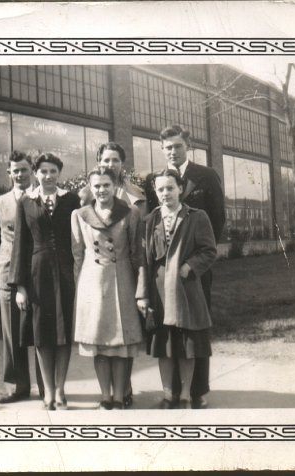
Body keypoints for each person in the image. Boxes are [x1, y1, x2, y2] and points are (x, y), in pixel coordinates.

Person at [145, 125, 226, 409]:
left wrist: (193, 263)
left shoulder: (205, 176)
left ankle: (197, 392)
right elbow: (150, 227)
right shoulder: (153, 181)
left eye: (177, 146)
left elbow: (217, 221)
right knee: (167, 332)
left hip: (194, 271)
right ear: (161, 149)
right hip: (162, 275)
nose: (173, 151)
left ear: (187, 146)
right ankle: (172, 392)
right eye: (167, 147)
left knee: (195, 329)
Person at [137, 169, 217, 409]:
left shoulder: (197, 216)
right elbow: (143, 259)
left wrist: (189, 267)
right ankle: (168, 394)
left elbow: (209, 251)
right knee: (163, 347)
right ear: (155, 192)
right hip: (159, 293)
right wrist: (142, 294)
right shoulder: (150, 219)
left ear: (180, 189)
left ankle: (184, 395)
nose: (165, 193)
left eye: (170, 188)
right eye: (160, 189)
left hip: (186, 291)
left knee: (186, 347)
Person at [9, 153, 81, 411]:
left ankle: (60, 390)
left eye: (53, 171)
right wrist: (19, 286)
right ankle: (48, 392)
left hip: (65, 274)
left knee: (63, 334)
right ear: (35, 174)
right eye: (43, 171)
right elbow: (19, 245)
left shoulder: (71, 200)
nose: (48, 176)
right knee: (41, 334)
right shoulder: (26, 202)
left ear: (59, 174)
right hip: (37, 274)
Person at [71, 167, 145, 410]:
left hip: (122, 278)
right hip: (92, 281)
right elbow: (77, 254)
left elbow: (136, 252)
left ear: (115, 187)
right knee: (99, 343)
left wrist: (140, 288)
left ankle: (119, 395)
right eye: (97, 186)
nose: (101, 190)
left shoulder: (130, 212)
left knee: (121, 344)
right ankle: (105, 395)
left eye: (106, 185)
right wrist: (78, 289)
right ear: (90, 188)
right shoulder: (80, 215)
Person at [0, 151, 44, 404]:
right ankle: (16, 387)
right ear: (9, 173)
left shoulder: (43, 198)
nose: (20, 174)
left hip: (40, 273)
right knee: (12, 333)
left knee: (42, 329)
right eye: (15, 170)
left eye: (24, 169)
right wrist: (8, 263)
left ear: (32, 170)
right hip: (9, 274)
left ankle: (47, 387)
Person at [78, 142, 147, 215]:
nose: (111, 165)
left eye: (115, 160)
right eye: (106, 160)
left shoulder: (137, 194)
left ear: (122, 163)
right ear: (99, 163)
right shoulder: (85, 195)